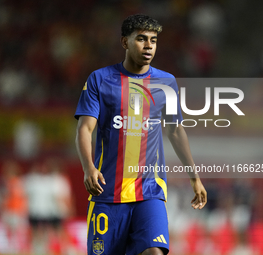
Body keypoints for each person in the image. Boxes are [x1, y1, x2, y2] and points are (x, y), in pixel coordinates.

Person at [75, 14, 207, 255]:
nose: (149, 46)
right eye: (142, 39)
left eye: (153, 40)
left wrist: (194, 177)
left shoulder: (166, 82)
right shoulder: (100, 80)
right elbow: (85, 128)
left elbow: (175, 130)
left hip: (150, 190)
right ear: (125, 42)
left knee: (154, 252)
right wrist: (88, 168)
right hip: (107, 193)